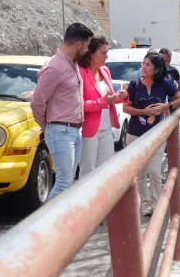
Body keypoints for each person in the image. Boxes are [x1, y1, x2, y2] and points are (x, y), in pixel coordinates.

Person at [31, 22, 93, 200]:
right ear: (79, 45)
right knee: (63, 183)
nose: (88, 50)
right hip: (60, 131)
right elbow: (37, 102)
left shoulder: (72, 63)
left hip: (72, 131)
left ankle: (61, 224)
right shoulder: (55, 66)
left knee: (67, 183)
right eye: (87, 46)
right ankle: (48, 226)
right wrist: (48, 126)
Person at [123, 53, 180, 216]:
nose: (144, 67)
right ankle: (145, 204)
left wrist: (167, 105)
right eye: (143, 64)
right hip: (135, 134)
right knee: (141, 172)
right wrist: (142, 111)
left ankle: (157, 202)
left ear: (157, 69)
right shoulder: (134, 84)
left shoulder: (164, 84)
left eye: (148, 65)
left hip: (157, 133)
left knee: (155, 171)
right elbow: (126, 108)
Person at [78, 36, 128, 177]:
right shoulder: (81, 72)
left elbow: (109, 98)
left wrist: (121, 97)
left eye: (107, 52)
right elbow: (78, 104)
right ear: (91, 54)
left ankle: (102, 199)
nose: (107, 56)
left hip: (106, 129)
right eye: (103, 53)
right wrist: (102, 103)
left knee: (106, 172)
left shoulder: (105, 70)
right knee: (87, 173)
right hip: (88, 130)